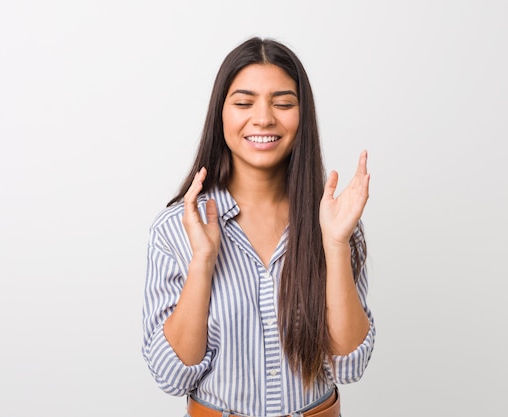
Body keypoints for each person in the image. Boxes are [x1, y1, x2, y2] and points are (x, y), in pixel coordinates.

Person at [142, 37, 375, 417]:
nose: (264, 118)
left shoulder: (335, 222)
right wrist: (202, 262)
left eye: (283, 103)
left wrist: (334, 244)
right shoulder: (176, 229)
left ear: (304, 116)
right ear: (221, 114)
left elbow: (349, 366)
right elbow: (171, 377)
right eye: (244, 102)